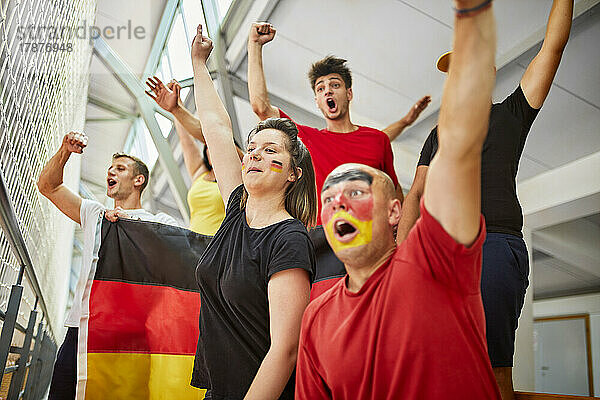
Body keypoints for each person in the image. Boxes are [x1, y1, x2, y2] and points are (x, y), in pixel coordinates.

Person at [295, 1, 501, 398]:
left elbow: (458, 144)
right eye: (330, 197)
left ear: (394, 211)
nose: (339, 201)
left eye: (356, 191)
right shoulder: (315, 317)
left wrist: (472, 13)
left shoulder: (434, 260)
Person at [397, 1, 573, 398]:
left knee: (493, 372)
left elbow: (553, 47)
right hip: (441, 255)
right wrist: (400, 258)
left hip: (493, 244)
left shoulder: (511, 112)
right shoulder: (438, 133)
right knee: (441, 367)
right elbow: (416, 194)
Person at [190, 24, 317, 399]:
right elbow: (215, 126)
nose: (256, 154)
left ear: (293, 173)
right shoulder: (234, 212)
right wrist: (199, 63)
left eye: (272, 150)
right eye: (252, 147)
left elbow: (286, 349)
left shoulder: (289, 238)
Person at [37, 132, 178, 400]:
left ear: (139, 180)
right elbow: (48, 186)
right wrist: (65, 151)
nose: (111, 172)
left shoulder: (158, 221)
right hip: (81, 330)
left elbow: (180, 253)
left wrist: (133, 226)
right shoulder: (94, 213)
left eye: (120, 169)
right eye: (110, 169)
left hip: (129, 338)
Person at [248, 22, 432, 211]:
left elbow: (394, 191)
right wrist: (254, 45)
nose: (328, 91)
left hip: (369, 234)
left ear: (349, 93)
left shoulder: (378, 140)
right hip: (322, 235)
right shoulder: (308, 139)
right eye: (321, 88)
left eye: (335, 85)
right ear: (317, 101)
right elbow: (261, 107)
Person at [145, 77, 229, 236]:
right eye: (208, 148)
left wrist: (178, 110)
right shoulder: (201, 174)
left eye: (216, 147)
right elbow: (186, 141)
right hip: (195, 248)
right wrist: (176, 107)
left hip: (223, 248)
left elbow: (216, 137)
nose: (213, 150)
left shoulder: (240, 172)